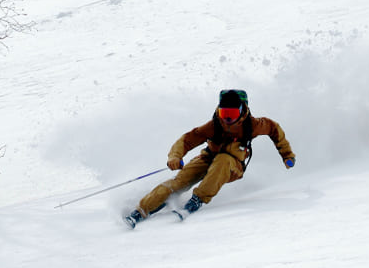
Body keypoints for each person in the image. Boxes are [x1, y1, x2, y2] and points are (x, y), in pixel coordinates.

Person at [124, 89, 295, 228]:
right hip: (208, 157)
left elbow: (275, 129)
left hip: (233, 165)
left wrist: (287, 155)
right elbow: (187, 140)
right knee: (179, 181)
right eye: (224, 112)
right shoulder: (215, 125)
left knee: (222, 160)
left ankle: (197, 199)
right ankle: (140, 211)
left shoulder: (253, 125)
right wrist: (175, 156)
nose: (227, 118)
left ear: (242, 110)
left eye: (232, 113)